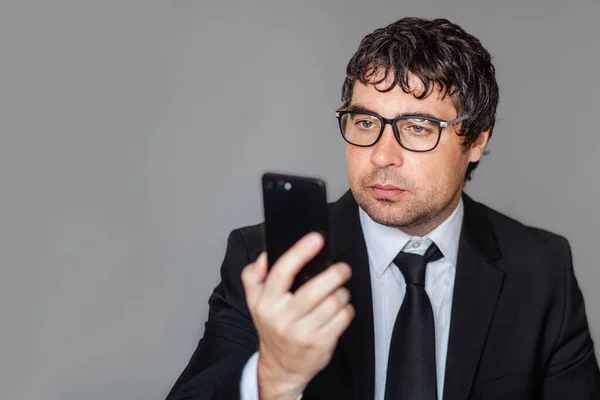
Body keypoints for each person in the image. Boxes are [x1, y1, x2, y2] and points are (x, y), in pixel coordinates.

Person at [165, 17, 600, 400]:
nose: (381, 155)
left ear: (477, 140)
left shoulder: (542, 268)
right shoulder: (265, 259)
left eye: (417, 127)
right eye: (366, 122)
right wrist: (274, 379)